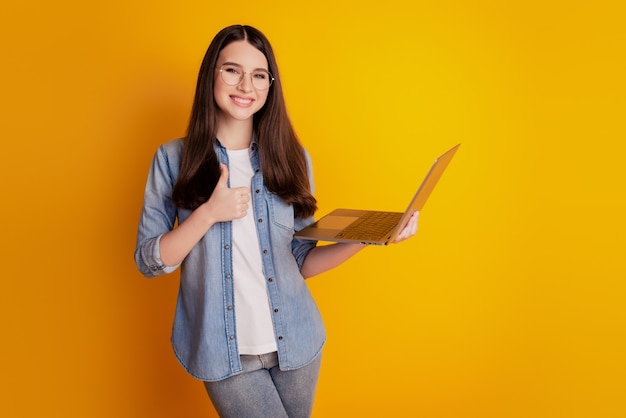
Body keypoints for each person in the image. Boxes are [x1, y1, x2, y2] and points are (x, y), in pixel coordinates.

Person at [134, 24, 419, 418]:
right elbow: (149, 260)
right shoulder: (171, 160)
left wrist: (369, 238)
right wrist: (208, 214)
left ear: (270, 86)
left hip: (297, 344)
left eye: (259, 75)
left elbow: (301, 262)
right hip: (224, 350)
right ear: (211, 76)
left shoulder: (292, 158)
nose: (245, 85)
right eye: (232, 70)